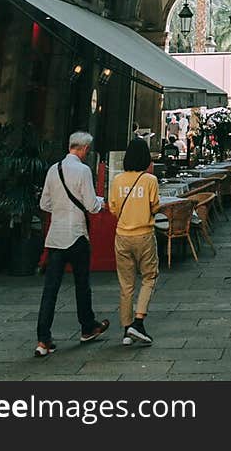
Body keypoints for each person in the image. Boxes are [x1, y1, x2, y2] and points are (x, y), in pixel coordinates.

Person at [35, 130, 109, 358]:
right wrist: (102, 201)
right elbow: (90, 204)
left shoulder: (53, 169)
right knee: (81, 284)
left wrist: (60, 208)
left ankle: (43, 339)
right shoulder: (83, 170)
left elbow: (44, 203)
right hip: (77, 234)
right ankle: (87, 327)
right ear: (85, 149)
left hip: (56, 236)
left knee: (50, 289)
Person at [109, 136, 160, 347]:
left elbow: (113, 208)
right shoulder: (150, 180)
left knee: (126, 283)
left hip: (122, 236)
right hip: (144, 234)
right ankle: (138, 321)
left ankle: (126, 330)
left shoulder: (118, 180)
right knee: (149, 276)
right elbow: (155, 206)